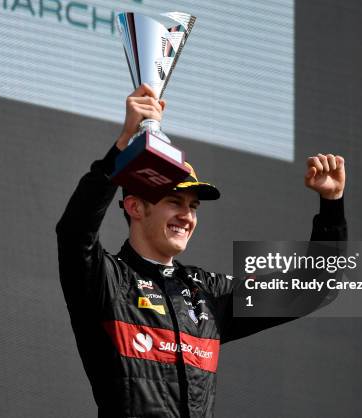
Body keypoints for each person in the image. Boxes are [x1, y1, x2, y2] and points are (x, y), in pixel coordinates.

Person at [56, 84, 347, 417]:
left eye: (193, 206)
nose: (187, 216)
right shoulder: (107, 282)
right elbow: (75, 233)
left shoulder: (208, 294)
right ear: (135, 207)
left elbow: (312, 289)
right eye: (174, 202)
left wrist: (331, 204)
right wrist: (123, 146)